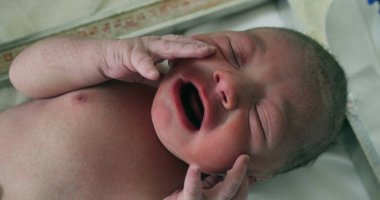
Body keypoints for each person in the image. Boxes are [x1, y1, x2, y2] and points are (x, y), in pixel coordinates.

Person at [0, 27, 347, 199]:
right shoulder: (128, 74)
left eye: (262, 119)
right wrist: (104, 55)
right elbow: (23, 76)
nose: (230, 86)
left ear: (253, 175)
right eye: (234, 53)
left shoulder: (185, 193)